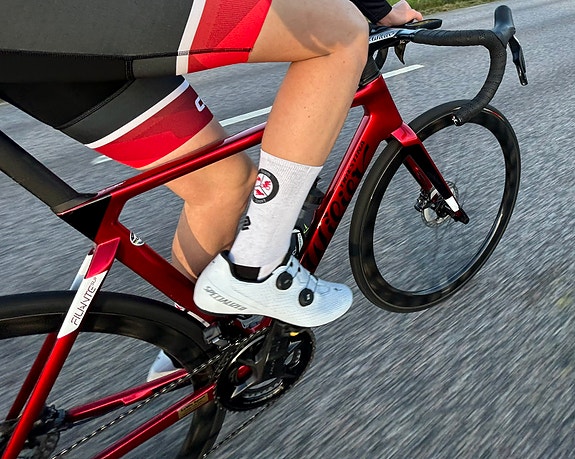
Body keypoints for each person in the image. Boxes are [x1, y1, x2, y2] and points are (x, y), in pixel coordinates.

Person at [0, 1, 422, 331]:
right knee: (341, 31)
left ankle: (188, 353)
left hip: (40, 49)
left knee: (224, 184)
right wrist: (379, 9)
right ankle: (256, 267)